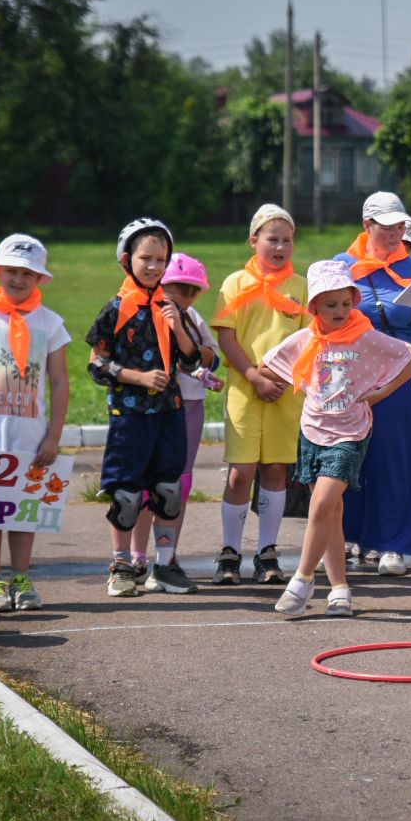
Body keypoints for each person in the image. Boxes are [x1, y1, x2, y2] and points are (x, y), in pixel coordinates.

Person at [259, 261, 411, 617]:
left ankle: (302, 580)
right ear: (314, 306)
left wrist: (380, 393)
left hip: (351, 433)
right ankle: (340, 590)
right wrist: (300, 383)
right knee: (331, 513)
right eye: (330, 305)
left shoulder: (366, 336)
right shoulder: (307, 339)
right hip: (313, 431)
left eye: (346, 304)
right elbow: (268, 364)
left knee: (321, 504)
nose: (340, 312)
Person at [0, 235, 72, 612]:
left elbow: (60, 382)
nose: (17, 279)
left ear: (39, 278)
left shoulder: (50, 324)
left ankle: (21, 577)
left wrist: (53, 435)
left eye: (26, 273)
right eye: (11, 271)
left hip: (31, 435)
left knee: (23, 508)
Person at [86, 218, 202, 597]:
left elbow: (192, 361)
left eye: (161, 259)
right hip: (130, 414)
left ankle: (165, 566)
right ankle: (121, 566)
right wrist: (139, 377)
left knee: (168, 490)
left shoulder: (171, 307)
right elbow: (96, 363)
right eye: (146, 258)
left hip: (169, 413)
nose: (154, 267)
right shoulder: (115, 309)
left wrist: (179, 327)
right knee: (127, 494)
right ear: (126, 259)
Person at [334, 191, 411, 575]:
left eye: (400, 225)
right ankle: (350, 537)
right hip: (350, 371)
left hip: (399, 373)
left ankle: (394, 544)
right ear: (367, 226)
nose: (397, 231)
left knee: (396, 458)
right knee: (349, 457)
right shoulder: (340, 267)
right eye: (387, 225)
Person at [211, 204, 306, 586]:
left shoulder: (300, 286)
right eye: (272, 239)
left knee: (276, 469)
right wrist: (253, 375)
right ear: (254, 241)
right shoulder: (235, 283)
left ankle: (267, 551)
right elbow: (226, 336)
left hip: (286, 390)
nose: (280, 247)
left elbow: (307, 338)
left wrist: (280, 375)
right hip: (245, 389)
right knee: (241, 472)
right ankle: (229, 551)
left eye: (287, 240)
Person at [128, 252, 221, 590]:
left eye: (191, 291)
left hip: (189, 407)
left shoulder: (192, 318)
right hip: (150, 409)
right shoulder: (139, 315)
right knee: (142, 485)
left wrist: (201, 364)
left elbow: (212, 357)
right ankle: (137, 556)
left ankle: (166, 559)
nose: (182, 297)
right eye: (175, 288)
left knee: (177, 485)